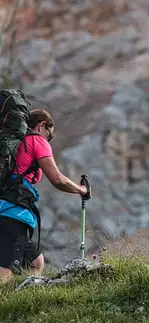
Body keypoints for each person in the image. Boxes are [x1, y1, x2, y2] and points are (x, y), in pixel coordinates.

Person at [0, 109, 89, 283]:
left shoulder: (14, 143)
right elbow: (57, 179)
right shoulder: (36, 140)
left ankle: (25, 301)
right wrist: (81, 190)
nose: (48, 140)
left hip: (6, 208)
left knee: (35, 262)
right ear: (41, 126)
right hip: (13, 212)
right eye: (49, 135)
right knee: (5, 269)